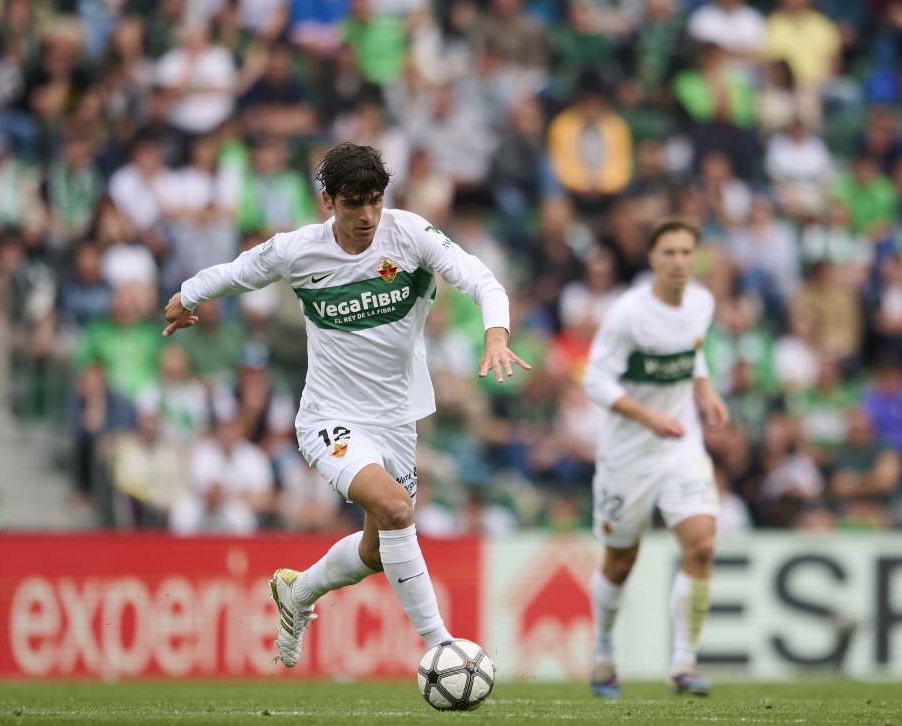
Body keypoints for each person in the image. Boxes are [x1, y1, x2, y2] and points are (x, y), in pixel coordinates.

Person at [162, 142, 524, 667]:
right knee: (397, 509)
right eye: (354, 203)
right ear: (328, 201)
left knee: (378, 552)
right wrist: (187, 296)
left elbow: (481, 279)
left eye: (375, 200)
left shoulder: (411, 235)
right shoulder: (298, 250)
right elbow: (239, 270)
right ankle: (443, 648)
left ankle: (300, 592)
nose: (367, 215)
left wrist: (495, 335)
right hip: (330, 418)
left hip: (399, 419)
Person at [581, 217, 730, 698]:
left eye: (687, 252)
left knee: (702, 546)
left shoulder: (702, 302)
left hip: (681, 446)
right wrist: (648, 417)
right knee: (621, 561)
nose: (680, 262)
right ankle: (604, 652)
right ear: (651, 258)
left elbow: (693, 351)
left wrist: (704, 390)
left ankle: (684, 665)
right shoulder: (628, 313)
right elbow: (595, 381)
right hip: (629, 453)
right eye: (669, 253)